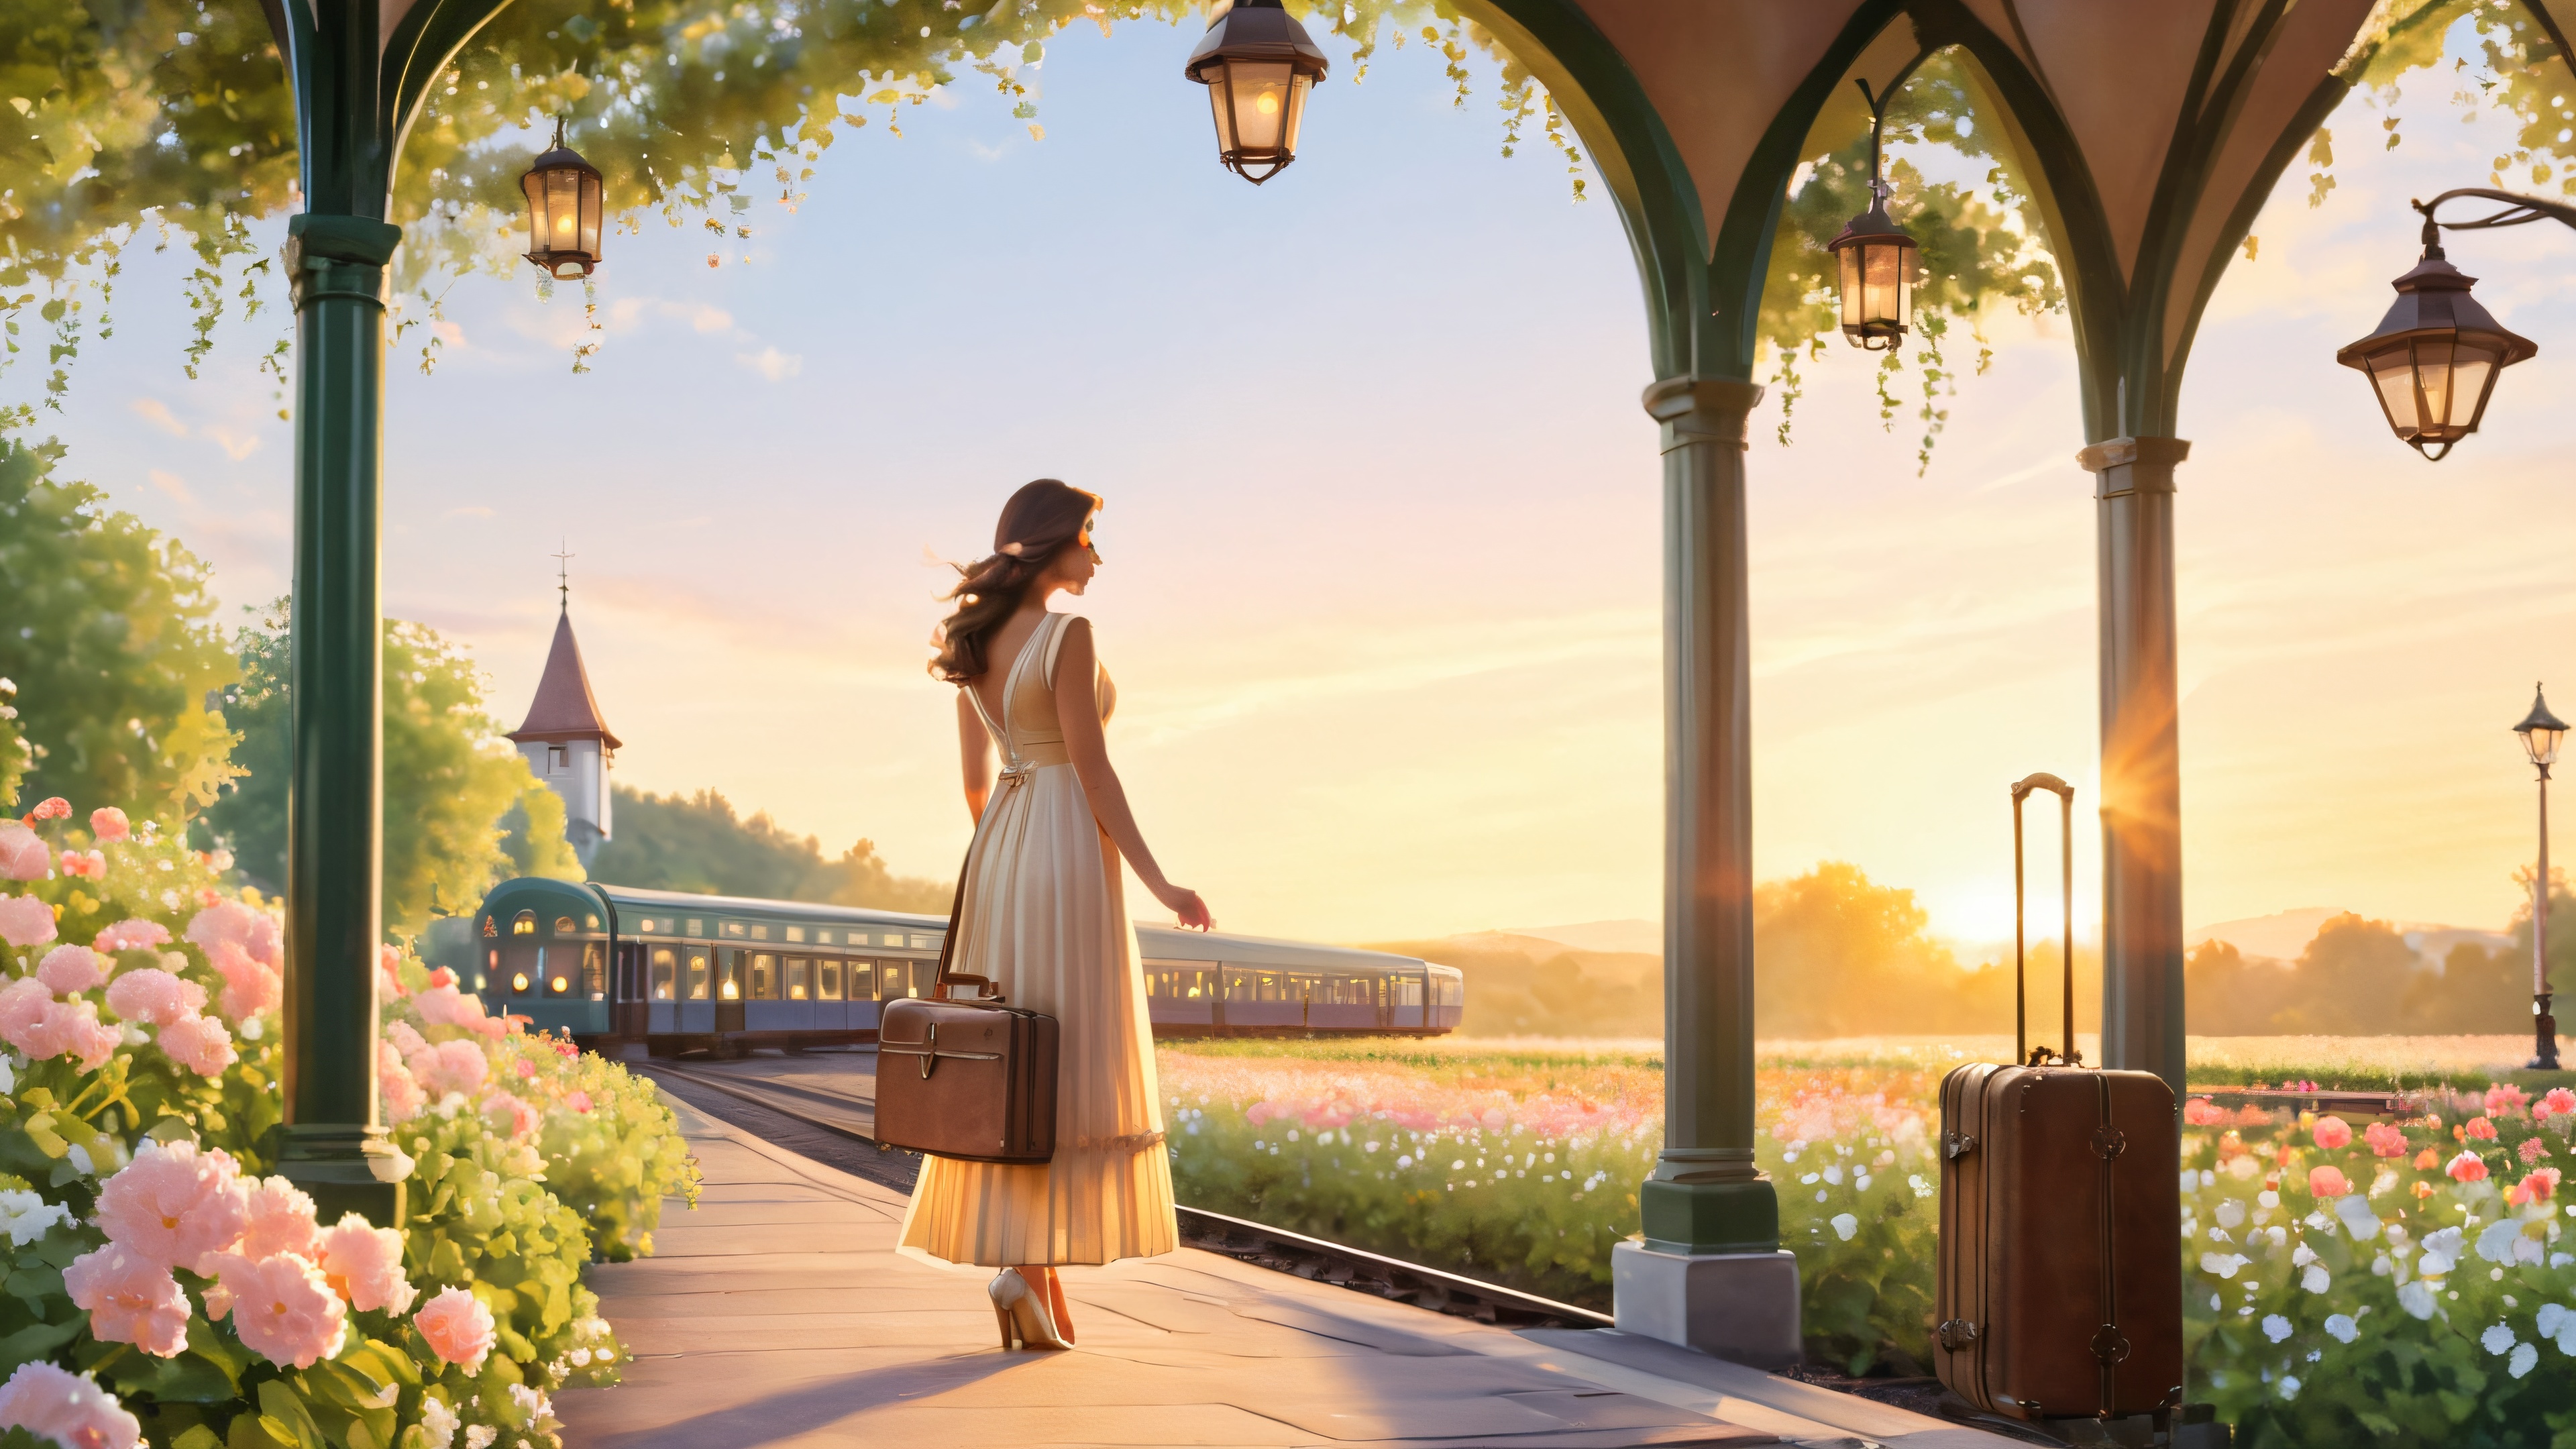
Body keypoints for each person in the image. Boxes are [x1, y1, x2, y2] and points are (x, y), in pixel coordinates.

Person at [896, 478, 1211, 1351]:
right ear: (1051, 543)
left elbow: (974, 786)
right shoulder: (1069, 634)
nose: (1097, 555)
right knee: (1066, 1063)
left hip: (1001, 850)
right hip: (1069, 847)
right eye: (1088, 537)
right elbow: (1094, 769)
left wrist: (1008, 851)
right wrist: (1162, 884)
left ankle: (1029, 1276)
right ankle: (1030, 1276)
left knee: (1015, 1064)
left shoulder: (972, 645)